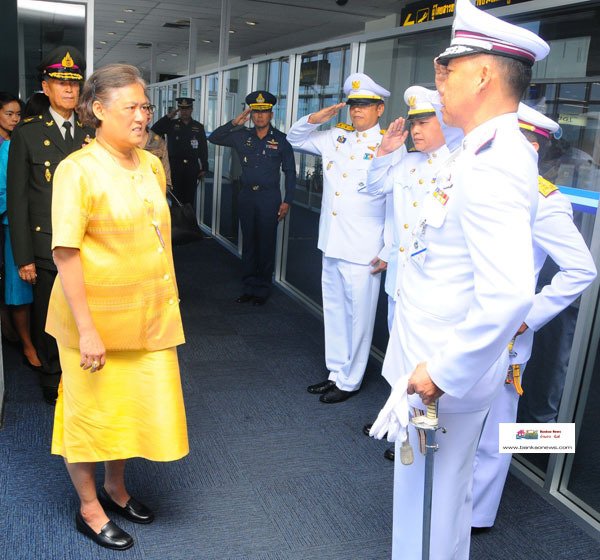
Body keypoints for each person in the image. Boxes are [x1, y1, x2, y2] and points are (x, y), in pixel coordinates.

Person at [370, 0, 550, 558]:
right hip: (431, 362)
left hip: (441, 376)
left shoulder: (495, 158)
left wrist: (442, 373)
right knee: (432, 506)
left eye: (449, 67)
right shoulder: (474, 151)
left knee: (428, 510)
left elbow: (509, 291)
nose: (438, 79)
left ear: (485, 74)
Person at [46, 64, 188, 551]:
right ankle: (89, 508)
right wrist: (87, 330)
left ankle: (116, 487)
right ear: (98, 111)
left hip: (147, 316)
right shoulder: (77, 170)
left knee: (127, 411)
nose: (142, 116)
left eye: (145, 106)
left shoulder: (148, 163)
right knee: (90, 416)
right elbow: (65, 252)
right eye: (131, 107)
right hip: (95, 322)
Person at [471, 104, 596, 531]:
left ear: (532, 146)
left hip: (506, 334)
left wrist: (528, 317)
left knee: (495, 431)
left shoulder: (544, 200)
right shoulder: (483, 184)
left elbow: (582, 269)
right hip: (467, 323)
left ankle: (477, 515)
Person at [287, 73, 394, 404]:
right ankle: (336, 371)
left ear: (379, 109)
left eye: (365, 105)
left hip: (365, 247)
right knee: (334, 310)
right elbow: (294, 139)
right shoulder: (336, 137)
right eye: (353, 105)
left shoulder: (390, 145)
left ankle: (351, 380)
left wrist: (388, 248)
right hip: (332, 240)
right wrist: (312, 119)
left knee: (359, 316)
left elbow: (395, 202)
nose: (357, 110)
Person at [364, 86, 450, 461]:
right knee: (401, 363)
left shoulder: (458, 168)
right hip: (400, 283)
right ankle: (404, 429)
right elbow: (373, 187)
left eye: (425, 121)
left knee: (428, 370)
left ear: (447, 121)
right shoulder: (407, 162)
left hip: (433, 293)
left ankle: (423, 440)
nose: (416, 130)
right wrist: (384, 151)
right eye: (413, 122)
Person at [7, 46, 94, 405]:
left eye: (74, 84)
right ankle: (51, 376)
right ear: (46, 86)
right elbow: (18, 199)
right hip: (46, 247)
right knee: (48, 316)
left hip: (88, 245)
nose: (69, 91)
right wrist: (23, 257)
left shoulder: (92, 132)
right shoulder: (27, 133)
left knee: (84, 315)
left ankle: (83, 376)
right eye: (60, 83)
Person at [208, 91, 296, 305]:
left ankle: (263, 288)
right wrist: (234, 122)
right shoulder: (241, 136)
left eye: (264, 112)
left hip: (269, 198)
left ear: (271, 115)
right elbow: (214, 137)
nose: (259, 116)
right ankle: (249, 286)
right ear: (251, 114)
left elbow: (290, 172)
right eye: (256, 112)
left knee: (266, 244)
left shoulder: (281, 140)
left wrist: (288, 201)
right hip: (247, 196)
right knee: (249, 243)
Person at [0, 94, 42, 370]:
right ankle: (27, 344)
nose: (16, 119)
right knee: (18, 287)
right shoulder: (7, 148)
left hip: (32, 223)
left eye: (19, 114)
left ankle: (26, 338)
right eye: (10, 114)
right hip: (11, 223)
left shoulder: (20, 142)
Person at [151, 97, 208, 205]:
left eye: (187, 108)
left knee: (189, 197)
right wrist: (168, 117)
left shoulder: (198, 127)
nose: (184, 111)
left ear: (191, 109)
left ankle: (188, 221)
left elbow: (203, 148)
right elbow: (154, 130)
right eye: (181, 109)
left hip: (192, 166)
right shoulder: (171, 124)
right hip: (175, 166)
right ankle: (177, 221)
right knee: (176, 197)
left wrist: (204, 167)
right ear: (178, 110)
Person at [138, 101, 172, 191]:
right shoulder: (121, 141)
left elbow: (167, 181)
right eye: (143, 108)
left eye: (150, 108)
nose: (148, 112)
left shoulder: (159, 143)